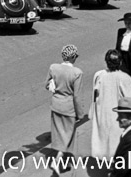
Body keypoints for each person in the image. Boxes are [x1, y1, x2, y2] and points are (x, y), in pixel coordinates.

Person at [45, 44, 86, 174]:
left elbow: (46, 84)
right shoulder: (77, 73)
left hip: (56, 105)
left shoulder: (54, 68)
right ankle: (58, 162)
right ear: (73, 57)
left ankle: (63, 161)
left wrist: (54, 86)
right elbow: (77, 96)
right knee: (68, 135)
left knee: (58, 134)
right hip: (69, 108)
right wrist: (80, 114)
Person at [90, 50, 131, 161]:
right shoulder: (125, 77)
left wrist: (93, 113)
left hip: (102, 114)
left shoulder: (99, 75)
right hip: (118, 116)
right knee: (117, 145)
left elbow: (94, 97)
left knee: (105, 142)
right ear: (120, 62)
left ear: (106, 62)